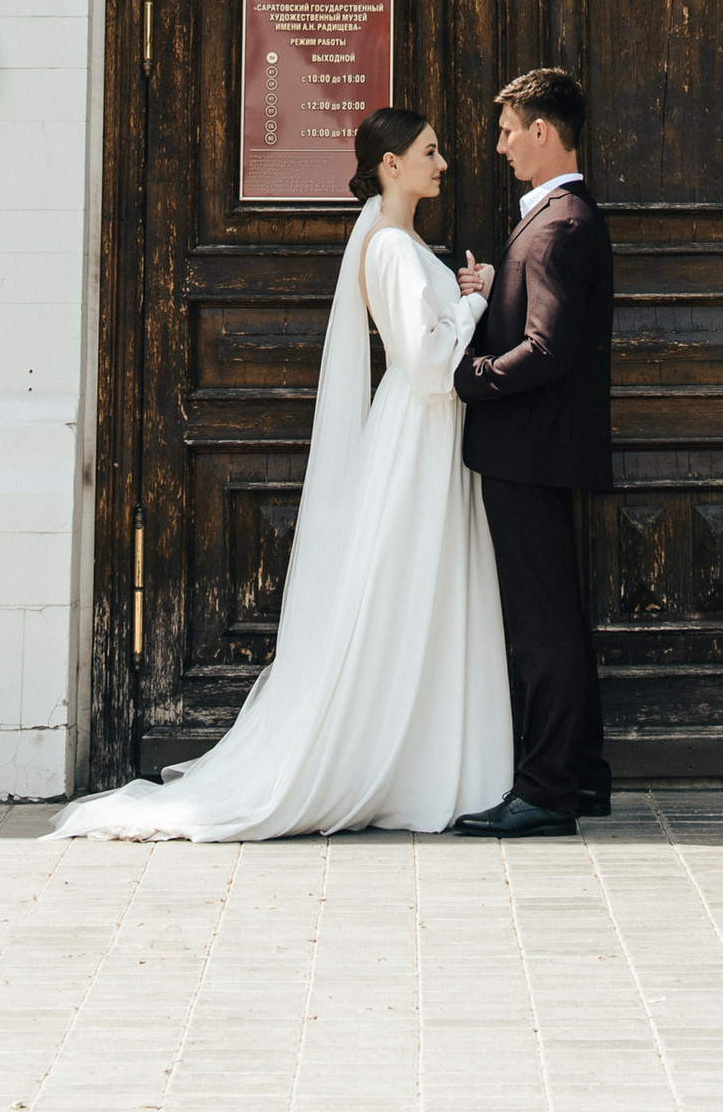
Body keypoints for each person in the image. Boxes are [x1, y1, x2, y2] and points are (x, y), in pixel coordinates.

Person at [50, 107, 511, 840]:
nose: (443, 163)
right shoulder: (392, 248)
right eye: (430, 152)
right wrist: (475, 302)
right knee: (410, 579)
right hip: (421, 430)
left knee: (420, 583)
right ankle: (409, 763)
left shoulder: (399, 242)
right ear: (391, 165)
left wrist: (461, 298)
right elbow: (428, 368)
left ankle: (422, 755)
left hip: (426, 431)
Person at [450, 67, 614, 838]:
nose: (500, 145)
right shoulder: (557, 218)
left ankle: (547, 790)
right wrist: (495, 287)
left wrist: (470, 375)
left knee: (541, 627)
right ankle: (582, 777)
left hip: (528, 451)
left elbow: (546, 348)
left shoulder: (559, 224)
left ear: (542, 131)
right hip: (538, 450)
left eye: (509, 130)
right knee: (556, 617)